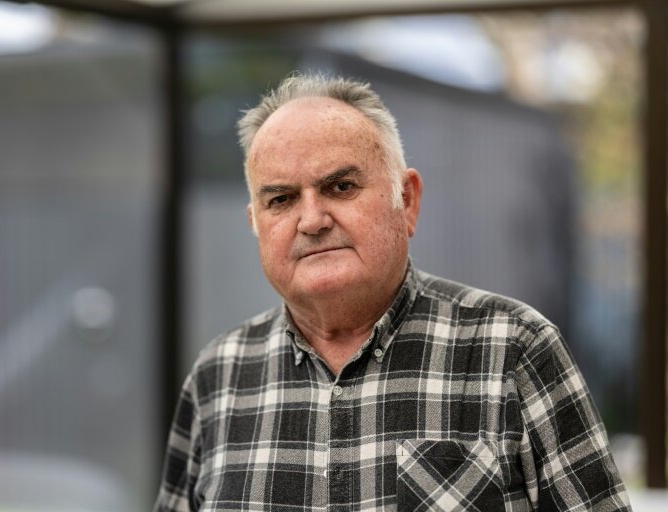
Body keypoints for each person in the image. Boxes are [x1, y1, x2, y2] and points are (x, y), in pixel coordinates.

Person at [155, 73, 631, 511]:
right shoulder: (218, 377)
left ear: (408, 201)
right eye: (281, 199)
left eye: (341, 186)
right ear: (255, 223)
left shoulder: (513, 351)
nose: (313, 220)